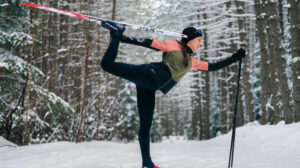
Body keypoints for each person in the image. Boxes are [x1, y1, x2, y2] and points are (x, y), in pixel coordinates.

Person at [100, 21, 246, 168]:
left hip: (149, 87)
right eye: (199, 40)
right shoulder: (172, 45)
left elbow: (213, 67)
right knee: (106, 65)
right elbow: (146, 43)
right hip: (148, 74)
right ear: (189, 39)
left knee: (145, 126)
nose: (201, 44)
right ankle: (117, 32)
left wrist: (236, 56)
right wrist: (121, 37)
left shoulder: (191, 62)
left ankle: (147, 163)